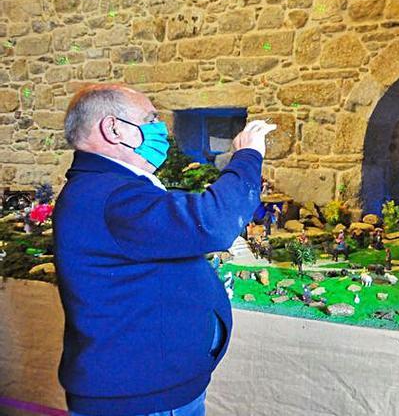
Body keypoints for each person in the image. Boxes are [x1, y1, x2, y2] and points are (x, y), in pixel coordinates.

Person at [54, 84, 276, 416]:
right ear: (113, 128)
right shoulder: (112, 196)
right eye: (151, 118)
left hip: (150, 388)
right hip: (141, 399)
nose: (161, 129)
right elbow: (214, 223)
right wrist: (247, 156)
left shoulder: (108, 186)